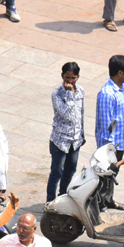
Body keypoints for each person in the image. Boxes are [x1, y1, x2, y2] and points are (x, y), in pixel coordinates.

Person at [46, 62, 85, 201]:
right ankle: (50, 202)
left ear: (77, 78)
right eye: (67, 77)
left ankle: (62, 198)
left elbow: (81, 113)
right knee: (56, 172)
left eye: (73, 78)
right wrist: (68, 94)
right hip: (60, 140)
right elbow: (66, 115)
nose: (69, 81)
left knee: (70, 171)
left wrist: (82, 133)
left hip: (75, 141)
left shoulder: (80, 91)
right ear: (62, 76)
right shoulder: (57, 94)